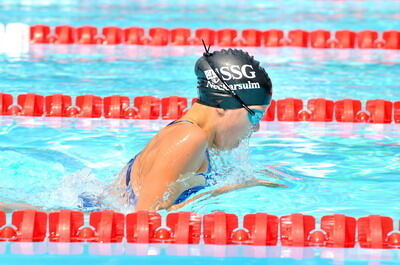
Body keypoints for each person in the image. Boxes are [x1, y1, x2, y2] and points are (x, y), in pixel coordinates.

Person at [111, 47, 286, 212]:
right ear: (223, 104)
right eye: (255, 115)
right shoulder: (190, 138)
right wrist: (235, 188)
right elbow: (143, 218)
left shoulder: (190, 136)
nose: (256, 128)